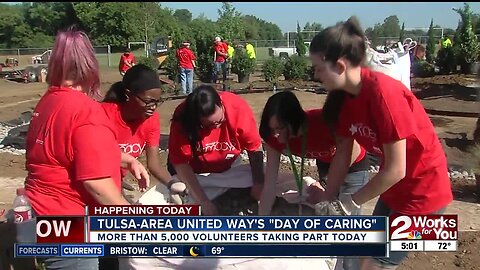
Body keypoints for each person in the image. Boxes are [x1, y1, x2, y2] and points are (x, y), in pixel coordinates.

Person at [308, 17, 453, 270]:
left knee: (378, 265)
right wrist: (329, 198)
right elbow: (343, 152)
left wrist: (349, 204)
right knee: (369, 255)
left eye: (319, 68)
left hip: (425, 195)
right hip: (393, 191)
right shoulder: (343, 98)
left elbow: (397, 169)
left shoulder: (384, 94)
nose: (315, 75)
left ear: (340, 66)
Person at [24, 27, 149, 270]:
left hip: (39, 213)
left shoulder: (49, 100)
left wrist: (127, 159)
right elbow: (97, 184)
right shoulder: (86, 112)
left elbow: (69, 149)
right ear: (90, 65)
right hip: (70, 226)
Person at [258, 91, 369, 270]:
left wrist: (326, 190)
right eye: (272, 130)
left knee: (348, 226)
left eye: (280, 129)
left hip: (353, 165)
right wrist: (260, 226)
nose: (275, 135)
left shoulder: (325, 122)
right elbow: (269, 185)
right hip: (326, 164)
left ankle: (351, 265)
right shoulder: (274, 139)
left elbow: (352, 150)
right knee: (329, 219)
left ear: (294, 120)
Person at [167, 85, 265, 216]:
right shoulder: (183, 116)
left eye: (220, 121)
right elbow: (181, 163)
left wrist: (258, 183)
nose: (216, 127)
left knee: (265, 174)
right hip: (195, 173)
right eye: (208, 125)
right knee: (177, 192)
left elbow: (254, 149)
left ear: (221, 103)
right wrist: (203, 201)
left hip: (229, 168)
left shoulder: (238, 107)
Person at [102, 64, 186, 197]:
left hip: (116, 181)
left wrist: (172, 184)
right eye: (148, 101)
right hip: (95, 181)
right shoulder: (103, 114)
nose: (153, 107)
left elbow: (154, 164)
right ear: (128, 94)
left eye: (157, 102)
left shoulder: (151, 120)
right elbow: (96, 158)